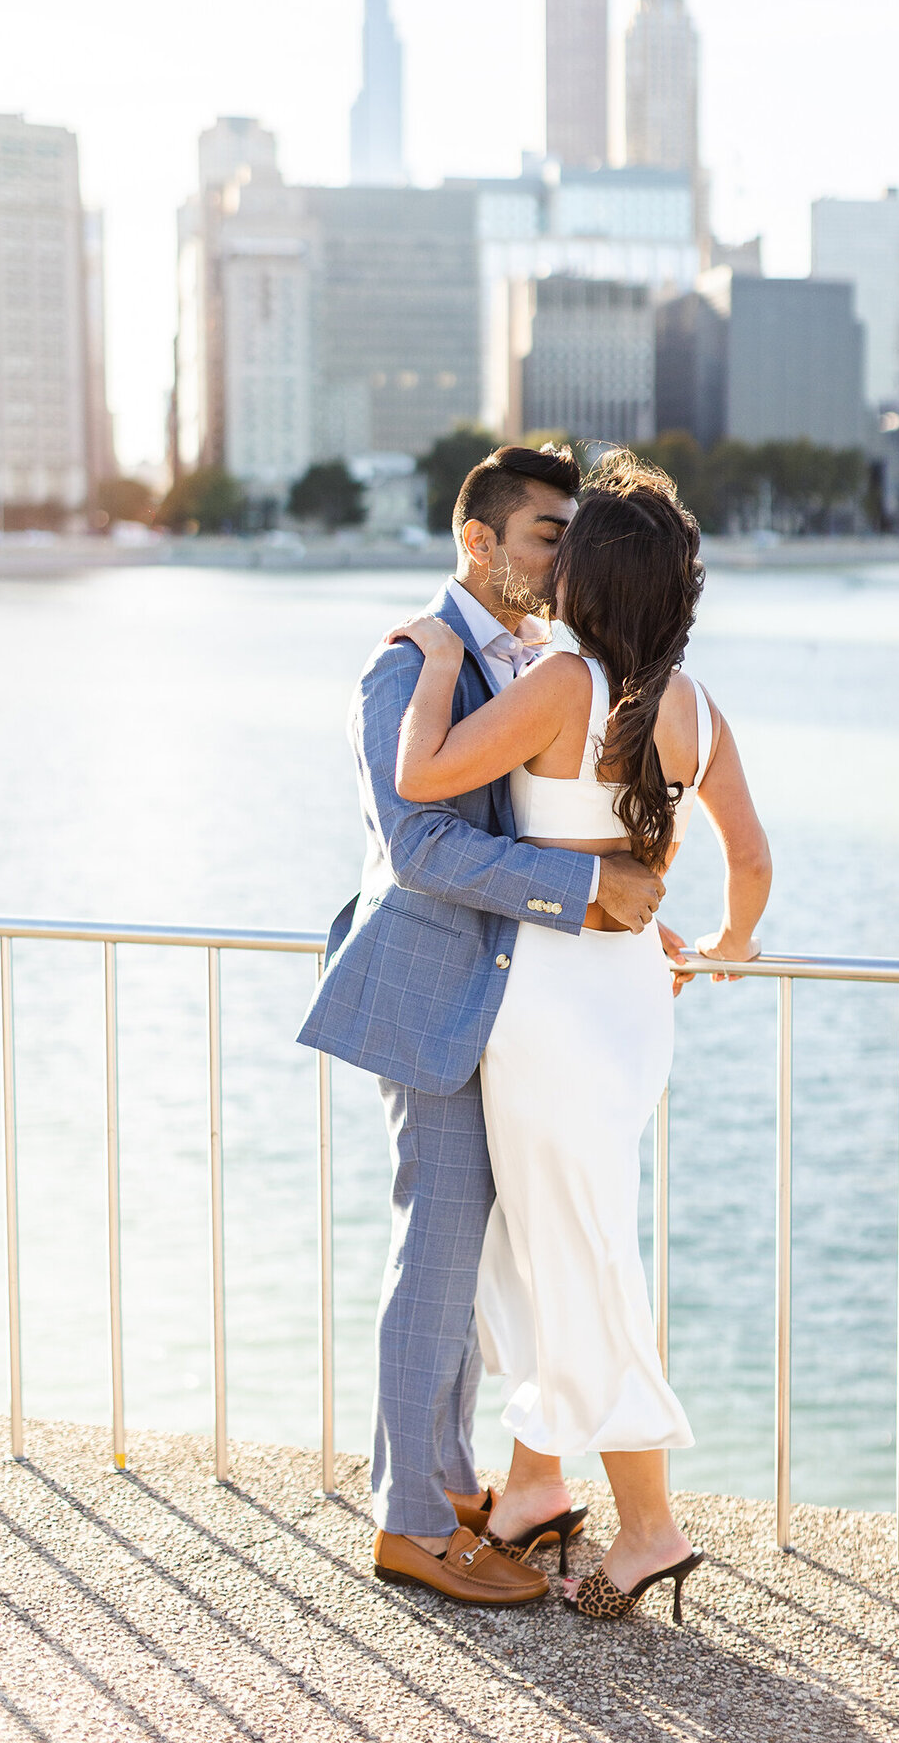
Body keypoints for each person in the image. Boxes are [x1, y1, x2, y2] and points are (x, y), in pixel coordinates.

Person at [386, 450, 772, 1623]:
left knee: (579, 1256)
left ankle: (651, 1525)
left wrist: (442, 660)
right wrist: (712, 953)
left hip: (548, 1009)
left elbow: (421, 778)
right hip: (627, 1005)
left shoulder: (562, 683)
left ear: (591, 578)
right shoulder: (695, 708)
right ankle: (537, 1481)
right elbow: (750, 866)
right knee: (543, 1246)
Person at [298, 444, 677, 1610]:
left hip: (519, 1010)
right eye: (547, 536)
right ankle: (411, 1522)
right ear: (480, 540)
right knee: (438, 1259)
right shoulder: (407, 661)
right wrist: (584, 895)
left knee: (483, 1266)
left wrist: (622, 908)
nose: (566, 557)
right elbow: (416, 849)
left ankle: (459, 1486)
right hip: (437, 994)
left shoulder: (541, 665)